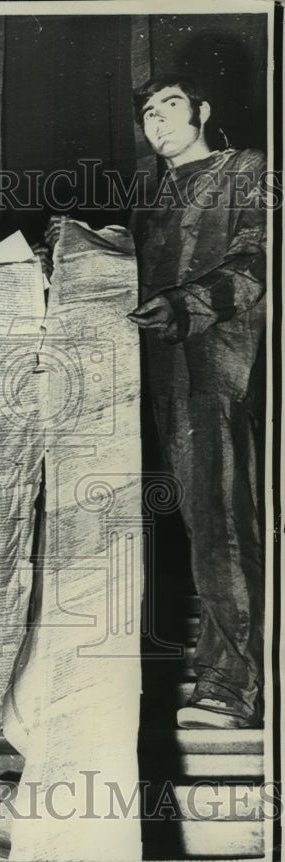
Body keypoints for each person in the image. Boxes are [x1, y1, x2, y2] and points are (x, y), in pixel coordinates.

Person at [127, 76, 267, 729]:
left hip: (216, 366)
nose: (156, 119)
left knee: (219, 519)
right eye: (147, 111)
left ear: (203, 110)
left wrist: (185, 306)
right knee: (191, 520)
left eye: (170, 104)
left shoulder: (249, 170)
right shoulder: (150, 199)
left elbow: (258, 261)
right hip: (156, 378)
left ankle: (231, 684)